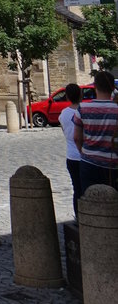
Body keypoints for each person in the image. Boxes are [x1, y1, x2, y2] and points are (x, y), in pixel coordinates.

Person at [73, 69, 118, 195]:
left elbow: (76, 137)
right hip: (113, 164)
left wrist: (83, 152)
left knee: (90, 200)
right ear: (112, 87)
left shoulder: (82, 108)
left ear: (95, 87)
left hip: (89, 162)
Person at [58, 82, 83, 217]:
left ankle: (78, 217)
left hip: (71, 156)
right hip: (84, 156)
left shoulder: (64, 113)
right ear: (81, 95)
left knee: (77, 189)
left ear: (67, 96)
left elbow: (64, 130)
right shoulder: (83, 111)